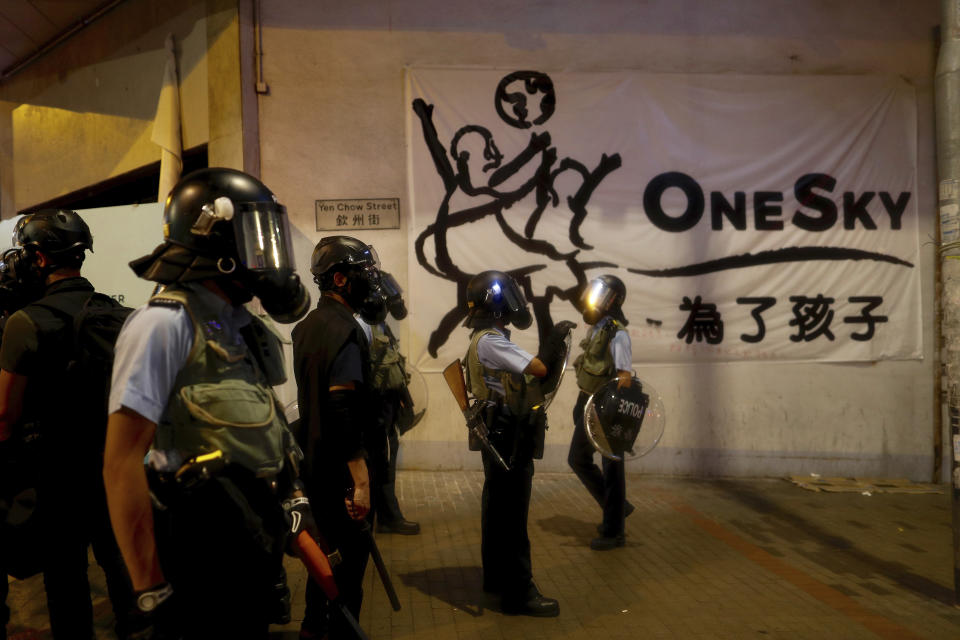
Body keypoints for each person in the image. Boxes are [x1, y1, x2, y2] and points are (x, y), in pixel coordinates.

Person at [102, 167, 314, 639]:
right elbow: (120, 464)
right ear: (215, 241)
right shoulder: (161, 325)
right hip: (193, 556)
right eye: (254, 237)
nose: (266, 255)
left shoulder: (240, 327)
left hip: (249, 546)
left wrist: (294, 500)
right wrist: (149, 589)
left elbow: (265, 426)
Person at [0, 210, 138, 639]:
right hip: (115, 469)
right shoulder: (120, 316)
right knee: (124, 574)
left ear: (39, 259)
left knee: (66, 583)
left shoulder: (26, 323)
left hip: (56, 476)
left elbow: (5, 416)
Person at [462, 270, 572, 617]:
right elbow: (538, 369)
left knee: (497, 511)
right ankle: (519, 592)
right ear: (497, 303)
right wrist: (553, 343)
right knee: (512, 517)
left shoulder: (484, 337)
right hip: (508, 438)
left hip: (498, 436)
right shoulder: (491, 341)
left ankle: (496, 578)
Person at [292, 235, 386, 639]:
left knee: (325, 571)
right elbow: (341, 409)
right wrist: (362, 482)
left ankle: (313, 629)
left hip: (316, 470)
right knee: (346, 582)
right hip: (345, 480)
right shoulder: (346, 330)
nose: (370, 279)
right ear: (340, 279)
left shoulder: (307, 327)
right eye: (363, 273)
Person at [568, 274, 635, 550]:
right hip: (588, 403)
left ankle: (614, 531)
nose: (593, 299)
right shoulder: (598, 328)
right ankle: (616, 508)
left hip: (605, 407)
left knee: (612, 467)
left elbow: (624, 377)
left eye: (600, 294)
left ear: (613, 300)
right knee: (578, 458)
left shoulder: (618, 333)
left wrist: (610, 413)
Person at [366, 271, 420, 535]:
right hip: (375, 405)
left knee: (385, 458)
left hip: (387, 402)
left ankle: (384, 515)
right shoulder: (365, 325)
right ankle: (387, 517)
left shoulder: (378, 325)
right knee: (382, 460)